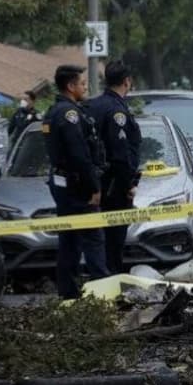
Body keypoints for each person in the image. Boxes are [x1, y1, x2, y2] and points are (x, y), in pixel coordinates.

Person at [43, 64, 108, 298]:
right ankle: (103, 293)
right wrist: (94, 187)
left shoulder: (52, 111)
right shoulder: (69, 114)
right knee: (93, 239)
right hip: (77, 185)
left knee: (69, 240)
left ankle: (68, 294)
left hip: (63, 183)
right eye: (82, 83)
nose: (85, 87)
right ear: (70, 86)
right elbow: (79, 154)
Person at [87, 60, 142, 273]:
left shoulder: (92, 106)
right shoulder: (117, 111)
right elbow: (120, 153)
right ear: (127, 82)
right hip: (113, 185)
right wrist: (128, 184)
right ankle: (112, 281)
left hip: (95, 183)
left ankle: (99, 279)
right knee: (115, 238)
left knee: (96, 239)